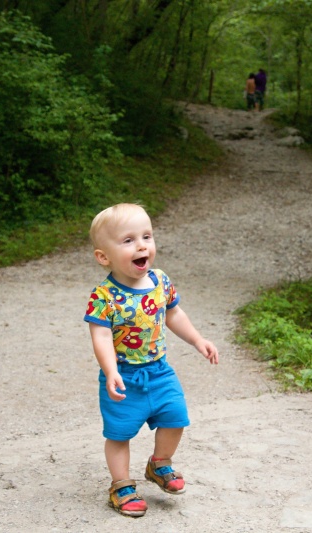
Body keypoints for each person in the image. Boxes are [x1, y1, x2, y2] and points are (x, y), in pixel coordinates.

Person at [84, 203, 219, 518]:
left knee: (175, 417)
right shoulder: (104, 296)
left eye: (147, 236)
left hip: (159, 372)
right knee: (119, 433)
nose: (142, 245)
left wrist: (198, 339)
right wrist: (111, 370)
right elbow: (100, 336)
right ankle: (121, 485)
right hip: (124, 377)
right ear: (104, 257)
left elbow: (173, 314)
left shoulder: (160, 281)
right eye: (128, 240)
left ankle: (159, 464)